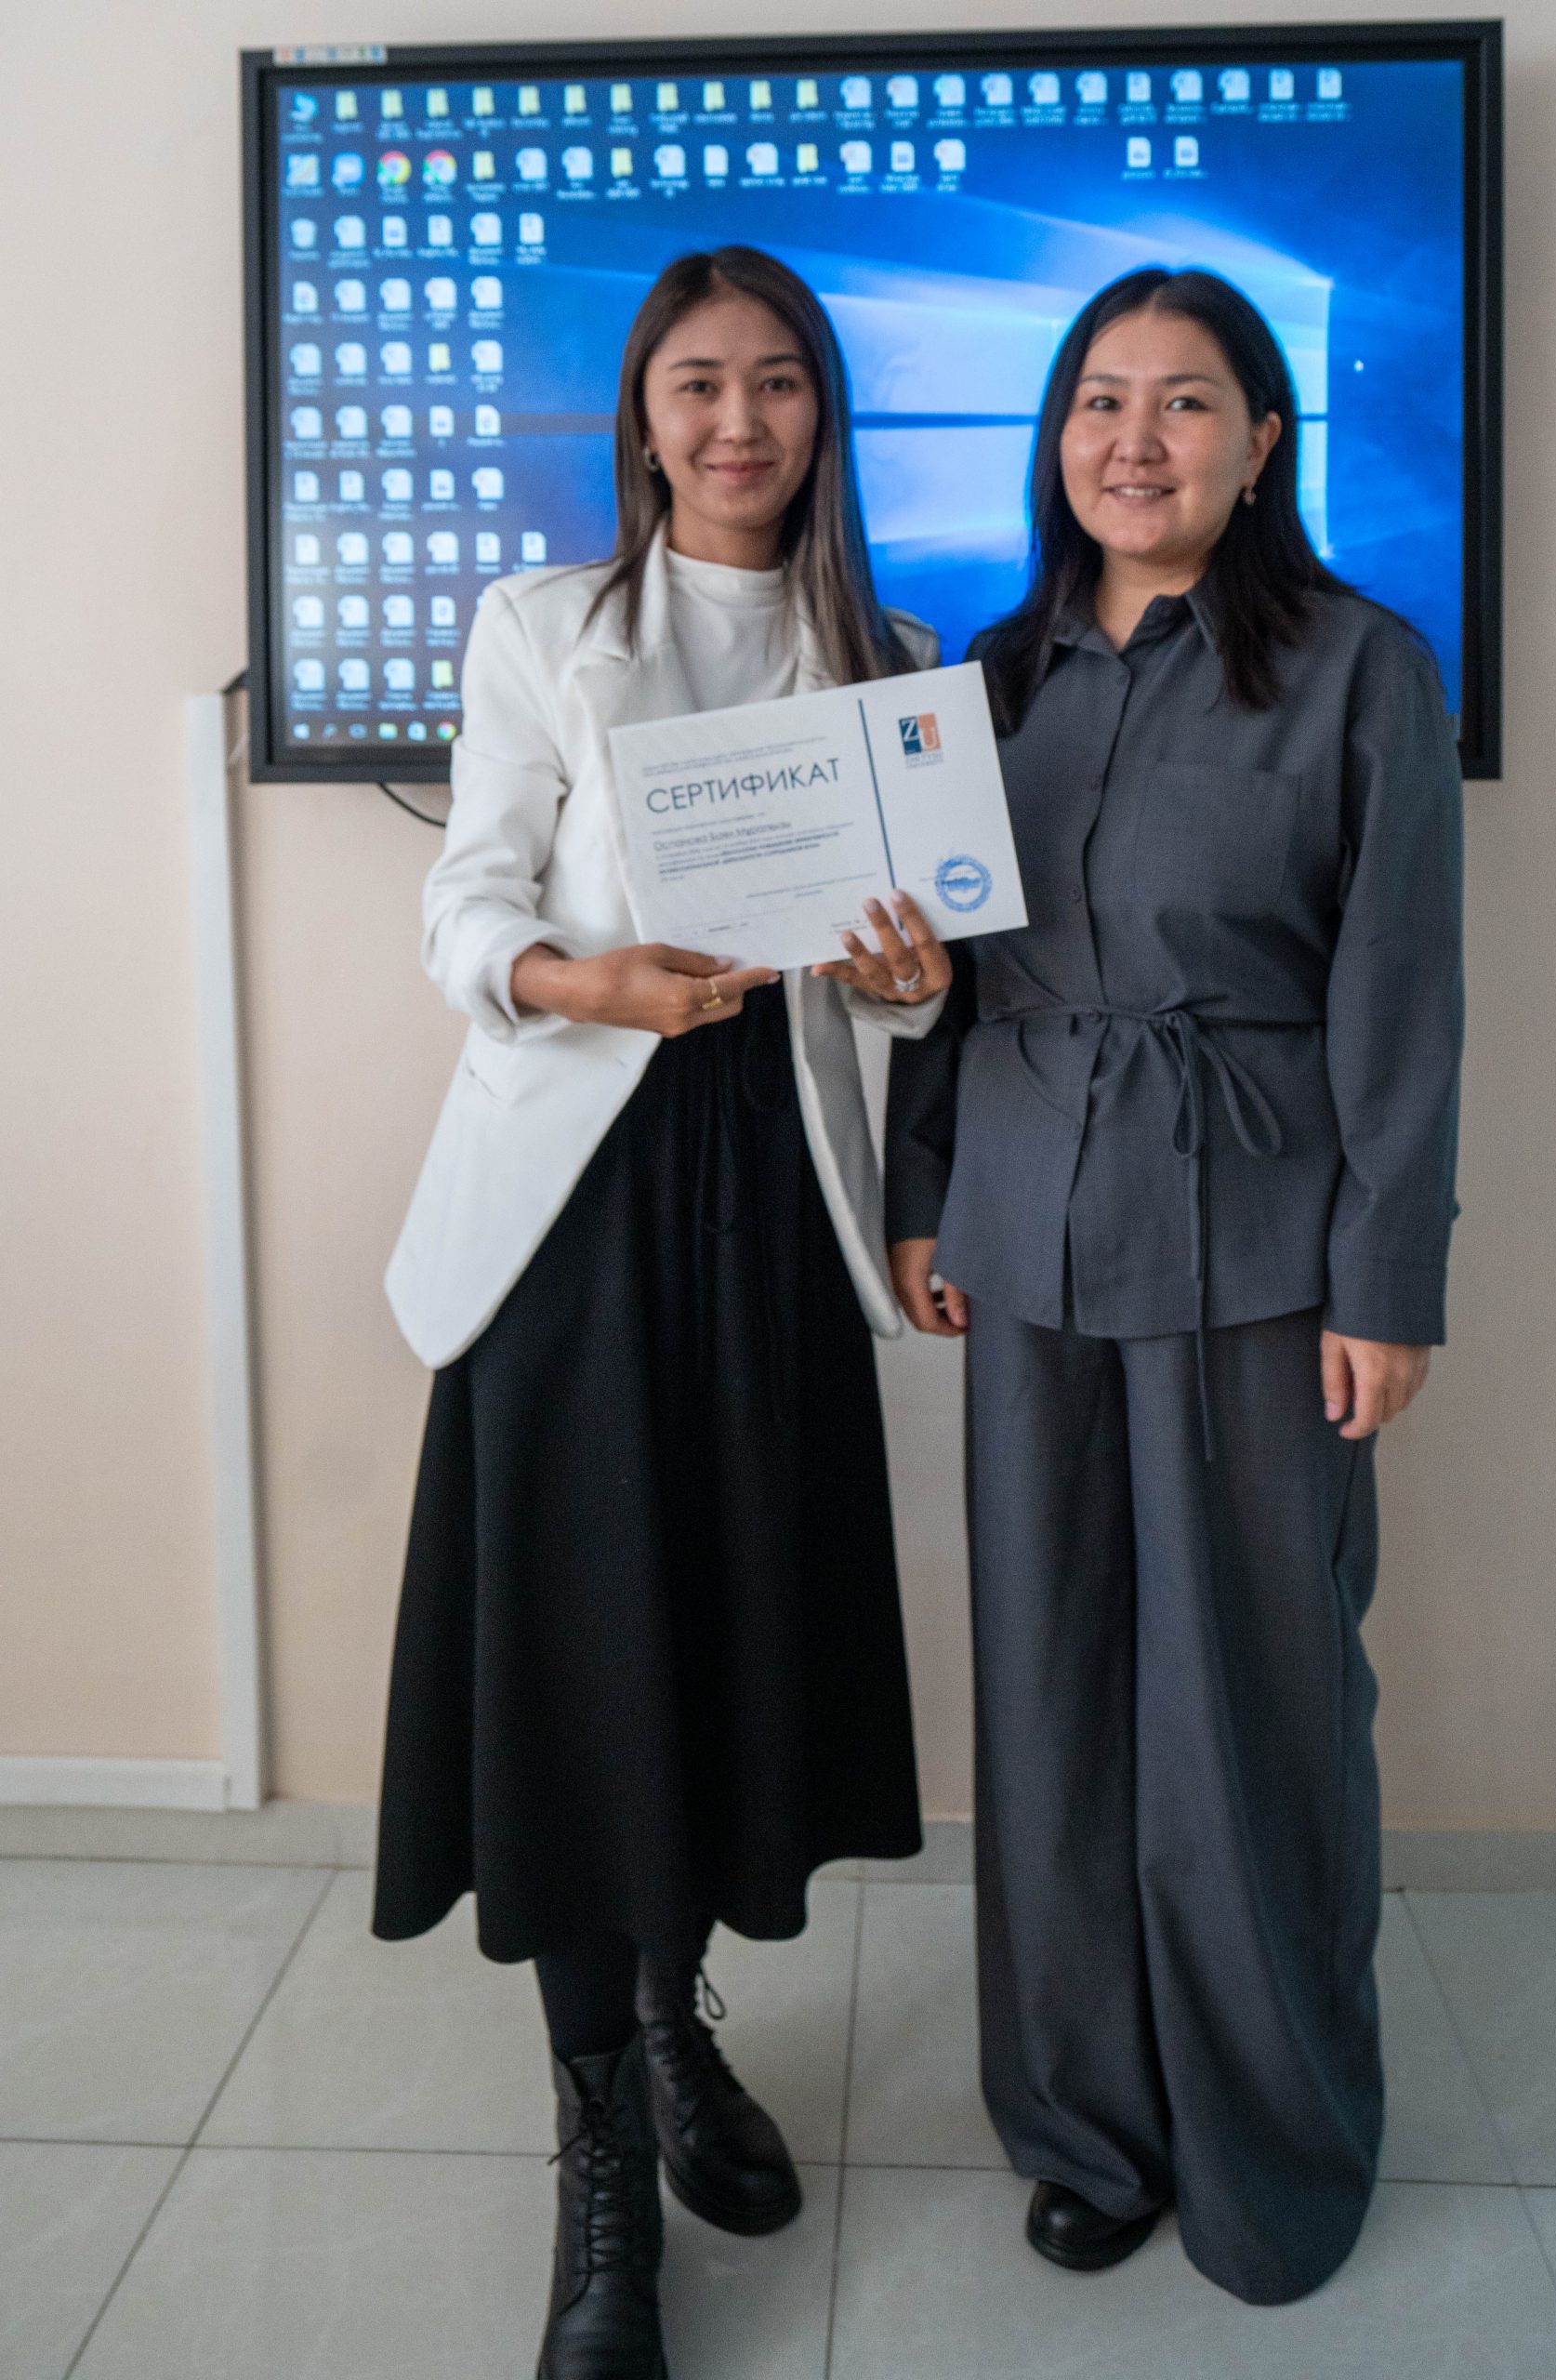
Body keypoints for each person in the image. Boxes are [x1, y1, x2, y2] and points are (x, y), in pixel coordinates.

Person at [374, 245, 953, 2380]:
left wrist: (912, 982)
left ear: (822, 414)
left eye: (778, 382)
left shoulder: (892, 658)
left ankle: (670, 2014)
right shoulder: (544, 626)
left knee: (722, 1636)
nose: (738, 421)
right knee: (582, 1660)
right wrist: (574, 977)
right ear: (641, 413)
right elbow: (466, 898)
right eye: (698, 383)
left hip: (771, 1200)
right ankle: (602, 2148)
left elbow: (906, 982)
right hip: (578, 1206)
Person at [886, 267, 1463, 2307]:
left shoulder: (1361, 669)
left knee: (1251, 1709)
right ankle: (1086, 2125)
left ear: (1262, 441)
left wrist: (1387, 1279)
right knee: (1051, 1700)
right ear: (1056, 439)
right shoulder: (993, 676)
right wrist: (924, 1187)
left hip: (1261, 1244)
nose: (1136, 440)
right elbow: (946, 971)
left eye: (1186, 402)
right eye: (1099, 401)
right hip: (1029, 1225)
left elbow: (1403, 997)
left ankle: (1270, 2140)